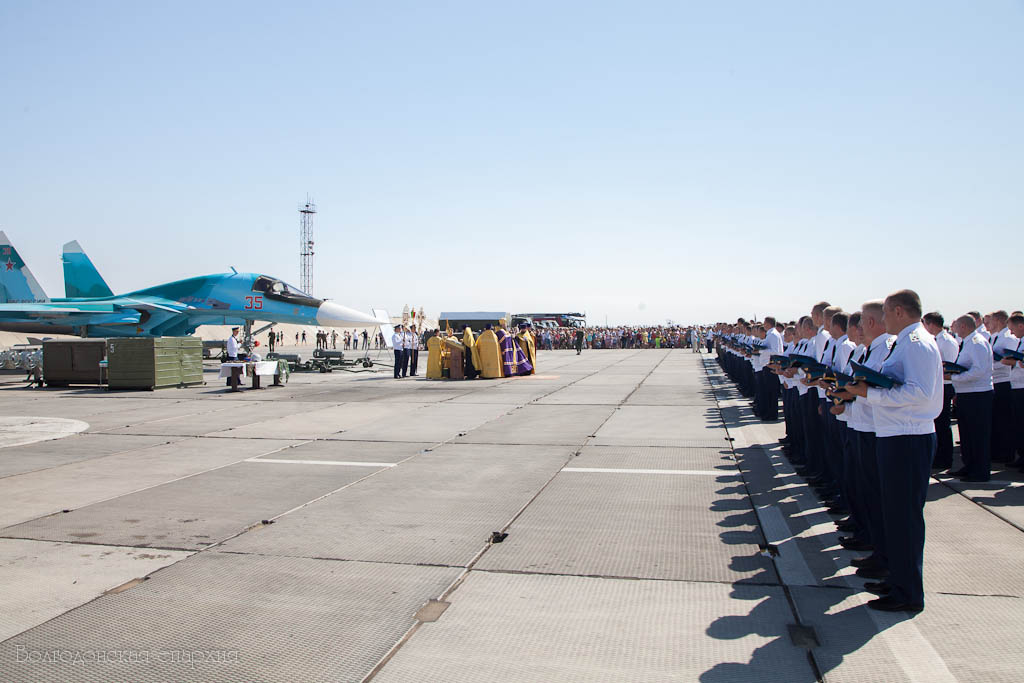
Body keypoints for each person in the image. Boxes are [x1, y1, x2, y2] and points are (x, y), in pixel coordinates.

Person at [842, 290, 942, 612]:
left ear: (899, 312)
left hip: (908, 437)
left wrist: (871, 393)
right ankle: (897, 580)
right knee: (895, 516)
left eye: (885, 313)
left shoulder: (917, 344)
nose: (882, 320)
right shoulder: (904, 342)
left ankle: (908, 592)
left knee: (904, 519)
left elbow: (920, 394)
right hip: (895, 435)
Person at [950, 314, 994, 481]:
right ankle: (969, 466)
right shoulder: (968, 342)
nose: (954, 328)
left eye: (957, 326)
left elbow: (979, 370)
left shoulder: (977, 343)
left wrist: (954, 378)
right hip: (967, 393)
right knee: (967, 435)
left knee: (978, 435)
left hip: (978, 394)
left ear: (964, 326)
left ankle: (980, 471)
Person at [922, 312, 957, 470]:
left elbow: (948, 366)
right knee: (938, 423)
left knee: (943, 424)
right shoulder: (937, 339)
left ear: (930, 324)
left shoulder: (947, 341)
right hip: (939, 385)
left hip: (945, 385)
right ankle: (939, 456)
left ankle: (945, 458)